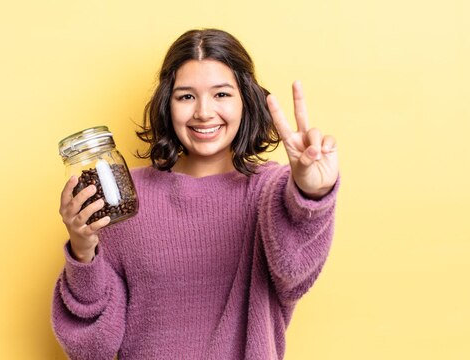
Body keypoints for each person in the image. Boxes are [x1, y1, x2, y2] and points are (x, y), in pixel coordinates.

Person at [52, 28, 340, 360]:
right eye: (186, 96)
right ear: (167, 104)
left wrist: (311, 193)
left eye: (221, 94)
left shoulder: (271, 191)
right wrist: (82, 250)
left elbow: (293, 273)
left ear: (245, 100)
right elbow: (91, 348)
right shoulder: (126, 196)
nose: (203, 112)